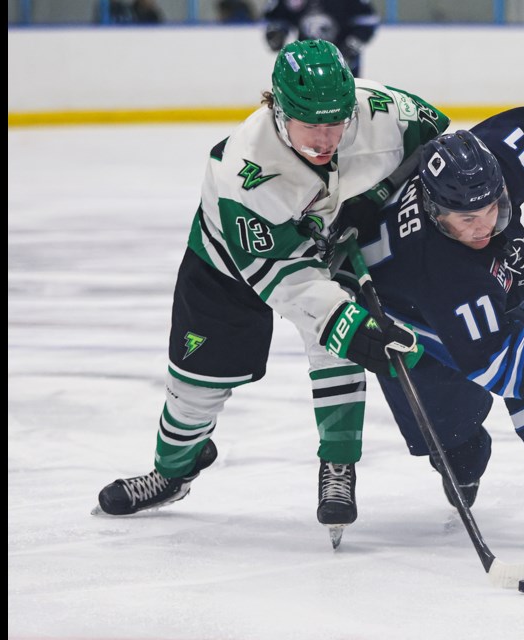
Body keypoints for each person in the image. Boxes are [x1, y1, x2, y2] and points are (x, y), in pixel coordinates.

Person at [93, 40, 450, 549]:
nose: (328, 138)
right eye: (312, 125)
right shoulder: (244, 171)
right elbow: (286, 280)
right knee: (195, 388)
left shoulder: (378, 108)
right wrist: (345, 323)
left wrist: (376, 196)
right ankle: (172, 472)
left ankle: (338, 466)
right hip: (231, 268)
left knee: (338, 349)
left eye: (337, 122)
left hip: (335, 248)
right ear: (277, 110)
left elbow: (436, 144)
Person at [342, 108, 524, 544]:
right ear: (434, 211)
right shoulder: (440, 270)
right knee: (459, 449)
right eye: (467, 220)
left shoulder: (488, 164)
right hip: (409, 320)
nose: (485, 225)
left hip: (486, 293)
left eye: (493, 207)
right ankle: (459, 453)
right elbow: (503, 365)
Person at [263, 0, 379, 77]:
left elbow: (367, 19)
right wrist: (277, 31)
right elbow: (278, 16)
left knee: (348, 102)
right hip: (305, 61)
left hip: (343, 61)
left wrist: (355, 41)